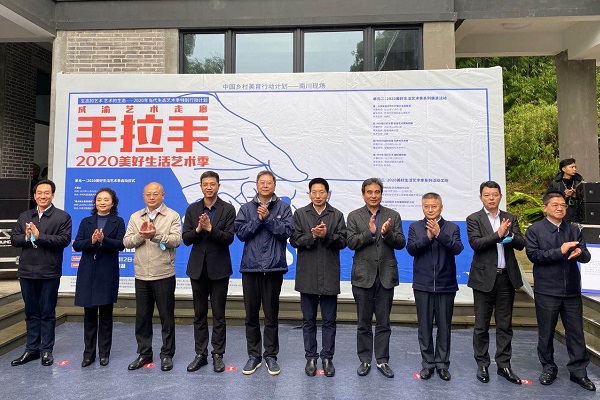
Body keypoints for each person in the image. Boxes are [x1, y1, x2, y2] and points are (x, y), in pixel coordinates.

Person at [525, 191, 595, 391]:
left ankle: (579, 372)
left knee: (576, 333)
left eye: (563, 205)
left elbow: (587, 256)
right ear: (544, 207)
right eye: (555, 205)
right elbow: (534, 255)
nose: (560, 208)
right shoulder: (535, 230)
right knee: (546, 333)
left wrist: (580, 252)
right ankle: (548, 368)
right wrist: (560, 251)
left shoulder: (573, 229)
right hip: (547, 290)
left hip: (571, 290)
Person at [234, 170, 294, 376]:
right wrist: (258, 220)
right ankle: (254, 355)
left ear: (274, 186)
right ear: (257, 185)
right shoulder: (246, 208)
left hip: (274, 267)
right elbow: (241, 233)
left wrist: (268, 218)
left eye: (269, 182)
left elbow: (287, 232)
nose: (266, 185)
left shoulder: (283, 208)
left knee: (271, 315)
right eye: (262, 182)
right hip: (250, 268)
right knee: (251, 315)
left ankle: (270, 355)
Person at [466, 181, 525, 385]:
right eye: (487, 195)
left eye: (494, 194)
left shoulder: (510, 218)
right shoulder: (474, 218)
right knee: (481, 325)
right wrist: (498, 234)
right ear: (481, 197)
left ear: (500, 196)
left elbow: (521, 243)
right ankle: (482, 364)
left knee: (505, 325)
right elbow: (476, 244)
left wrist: (510, 234)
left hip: (506, 278)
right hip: (483, 279)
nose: (491, 198)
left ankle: (504, 365)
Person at [347, 177, 405, 378]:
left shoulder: (393, 215)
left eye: (377, 192)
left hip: (386, 276)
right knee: (363, 322)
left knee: (384, 322)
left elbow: (401, 243)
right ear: (363, 194)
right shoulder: (354, 216)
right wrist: (370, 233)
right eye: (369, 192)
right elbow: (351, 243)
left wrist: (387, 234)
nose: (373, 195)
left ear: (381, 193)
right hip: (363, 276)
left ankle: (382, 360)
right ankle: (365, 360)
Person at [10, 179, 72, 367]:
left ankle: (46, 350)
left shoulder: (62, 217)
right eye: (39, 193)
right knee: (31, 312)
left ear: (52, 195)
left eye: (46, 193)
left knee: (47, 313)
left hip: (49, 272)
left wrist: (39, 236)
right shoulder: (25, 216)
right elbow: (14, 239)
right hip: (27, 272)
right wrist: (27, 237)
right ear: (34, 195)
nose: (42, 196)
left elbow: (64, 240)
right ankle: (32, 349)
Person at [290, 178, 347, 377]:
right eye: (314, 192)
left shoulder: (337, 215)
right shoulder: (300, 214)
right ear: (309, 194)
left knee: (330, 320)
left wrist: (326, 235)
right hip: (307, 275)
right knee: (308, 320)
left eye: (321, 192)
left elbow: (343, 242)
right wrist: (313, 236)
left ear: (328, 194)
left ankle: (327, 358)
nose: (318, 195)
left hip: (329, 274)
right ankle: (311, 357)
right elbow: (294, 240)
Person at [123, 182, 182, 371]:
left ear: (163, 195)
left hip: (164, 273)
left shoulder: (172, 215)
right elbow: (126, 241)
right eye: (148, 194)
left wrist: (156, 235)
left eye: (155, 194)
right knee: (142, 317)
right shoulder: (135, 216)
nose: (151, 197)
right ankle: (144, 353)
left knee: (166, 317)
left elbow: (176, 240)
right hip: (141, 274)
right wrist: (141, 235)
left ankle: (167, 354)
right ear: (143, 196)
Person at [182, 171, 235, 373]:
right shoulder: (193, 209)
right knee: (199, 314)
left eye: (212, 184)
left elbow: (229, 238)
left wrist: (211, 229)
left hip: (219, 269)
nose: (209, 187)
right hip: (197, 269)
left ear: (218, 186)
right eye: (205, 184)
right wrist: (198, 229)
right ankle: (200, 354)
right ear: (201, 186)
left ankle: (218, 354)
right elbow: (186, 239)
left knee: (219, 314)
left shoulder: (228, 209)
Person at [407, 192, 463, 381]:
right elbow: (411, 249)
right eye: (426, 206)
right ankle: (428, 364)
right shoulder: (415, 227)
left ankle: (442, 364)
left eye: (434, 206)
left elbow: (457, 248)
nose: (430, 210)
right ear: (422, 207)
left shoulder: (452, 227)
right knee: (424, 327)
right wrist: (428, 237)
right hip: (422, 285)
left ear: (441, 207)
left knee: (444, 327)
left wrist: (439, 234)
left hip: (446, 285)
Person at [73, 188, 125, 367]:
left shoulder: (118, 221)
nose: (102, 202)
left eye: (106, 199)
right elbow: (77, 245)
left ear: (113, 203)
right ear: (95, 202)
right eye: (99, 199)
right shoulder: (86, 221)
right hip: (87, 273)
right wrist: (92, 241)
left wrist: (103, 240)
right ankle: (88, 354)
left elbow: (120, 245)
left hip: (107, 273)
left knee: (105, 316)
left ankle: (104, 353)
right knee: (89, 316)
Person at [546, 158, 584, 223]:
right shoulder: (556, 183)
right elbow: (549, 199)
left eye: (575, 167)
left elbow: (587, 198)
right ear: (564, 169)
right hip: (562, 215)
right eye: (572, 167)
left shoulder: (579, 181)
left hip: (578, 215)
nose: (574, 169)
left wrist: (575, 195)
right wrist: (565, 196)